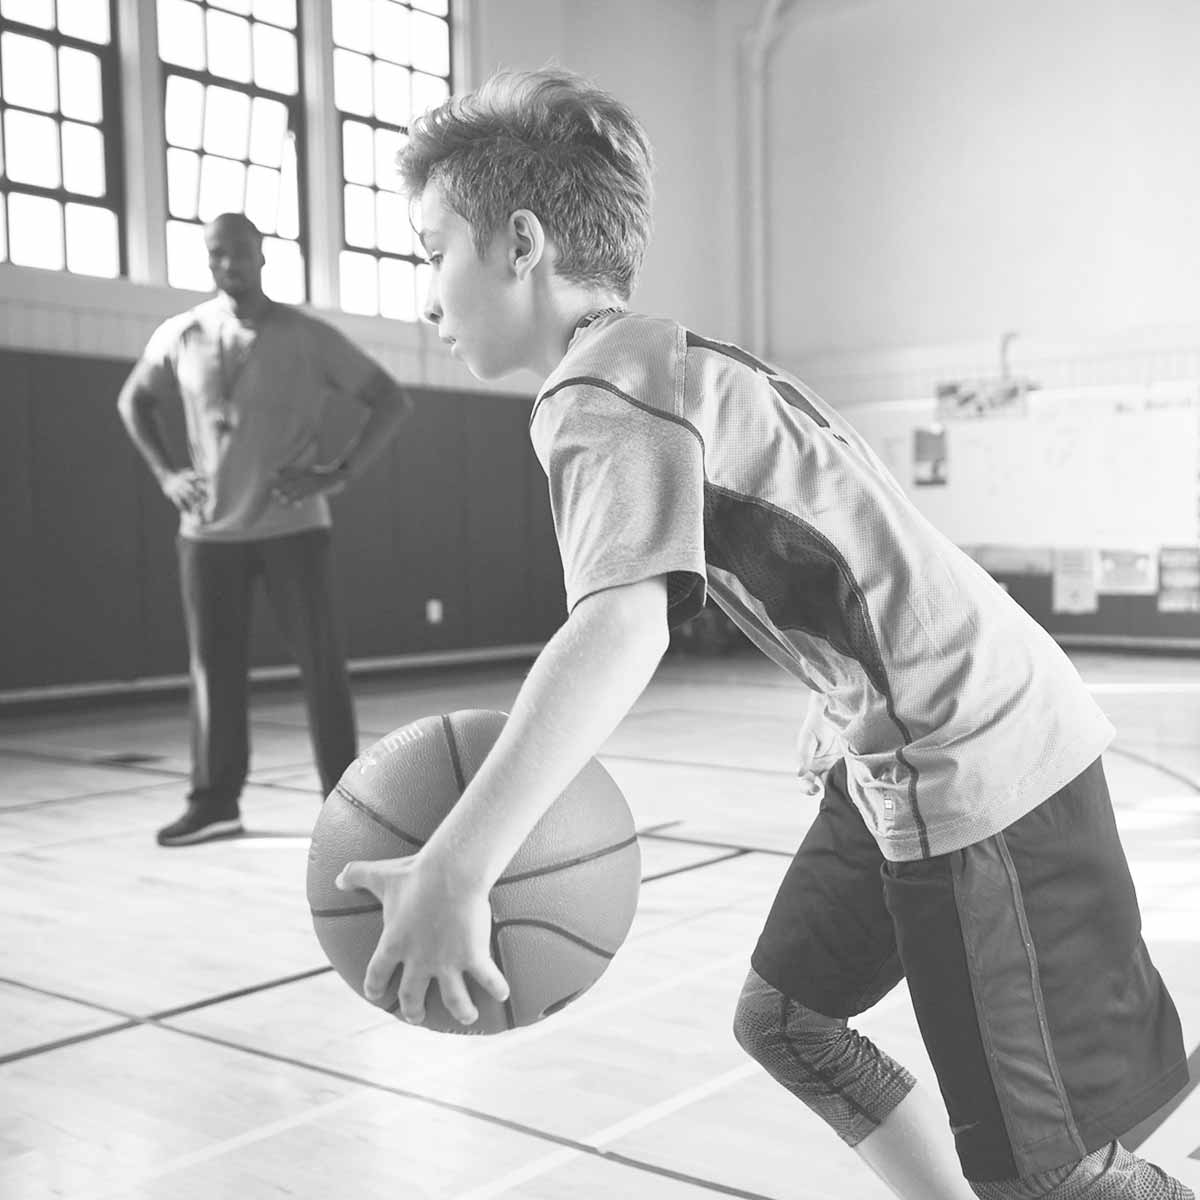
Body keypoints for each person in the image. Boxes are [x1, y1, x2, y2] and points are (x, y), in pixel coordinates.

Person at [334, 70, 1193, 1200]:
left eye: (431, 249)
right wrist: (837, 690)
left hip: (976, 762)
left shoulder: (599, 394)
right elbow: (853, 525)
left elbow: (618, 628)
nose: (427, 298)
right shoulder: (671, 359)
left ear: (521, 244)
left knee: (1060, 1179)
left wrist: (460, 861)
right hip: (907, 742)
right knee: (787, 1020)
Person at [118, 213, 411, 847]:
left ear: (262, 256)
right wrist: (169, 475)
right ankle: (215, 802)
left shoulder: (308, 336)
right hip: (207, 535)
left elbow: (391, 399)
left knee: (321, 669)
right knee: (212, 671)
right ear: (209, 259)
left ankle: (348, 810)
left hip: (293, 528)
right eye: (217, 253)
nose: (229, 264)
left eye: (240, 252)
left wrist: (338, 473)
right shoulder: (182, 333)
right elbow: (133, 400)